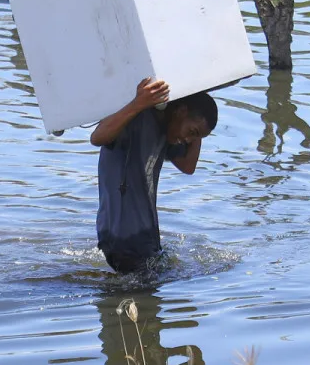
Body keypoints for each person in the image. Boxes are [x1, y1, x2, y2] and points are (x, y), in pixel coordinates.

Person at [92, 78, 217, 274]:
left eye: (195, 137)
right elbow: (97, 137)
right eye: (191, 132)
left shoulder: (166, 131)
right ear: (181, 111)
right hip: (123, 239)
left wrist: (198, 93)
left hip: (144, 240)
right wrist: (138, 103)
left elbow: (188, 166)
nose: (187, 140)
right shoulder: (136, 120)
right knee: (143, 299)